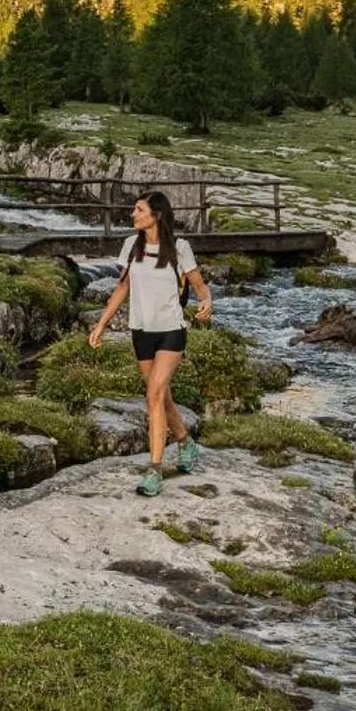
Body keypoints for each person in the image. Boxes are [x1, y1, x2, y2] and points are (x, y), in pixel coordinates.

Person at [88, 190, 213, 496]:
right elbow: (123, 287)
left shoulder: (179, 248)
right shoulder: (131, 245)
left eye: (139, 209)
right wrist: (101, 324)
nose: (133, 214)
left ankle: (154, 470)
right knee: (161, 397)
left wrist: (207, 302)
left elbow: (199, 286)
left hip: (171, 329)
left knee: (154, 393)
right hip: (141, 330)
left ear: (156, 215)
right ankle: (185, 442)